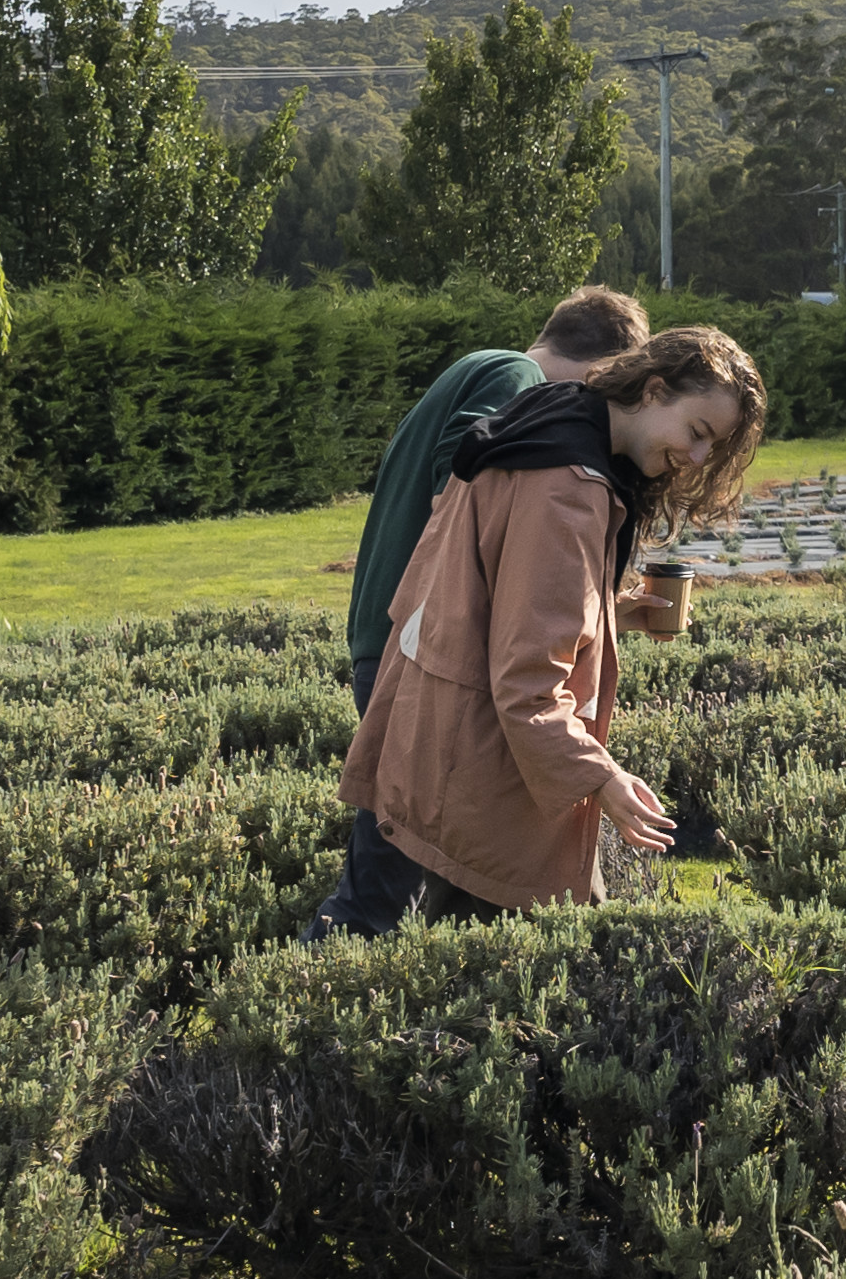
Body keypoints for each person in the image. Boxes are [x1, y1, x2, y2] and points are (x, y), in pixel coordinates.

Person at [331, 321, 766, 923]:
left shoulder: (548, 424)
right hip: (484, 759)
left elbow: (491, 600)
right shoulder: (571, 487)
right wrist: (603, 778)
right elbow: (528, 683)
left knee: (379, 917)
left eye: (708, 448)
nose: (694, 457)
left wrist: (605, 615)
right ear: (652, 390)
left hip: (439, 720)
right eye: (697, 432)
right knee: (507, 957)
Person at [313, 287, 645, 935]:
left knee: (421, 885)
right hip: (419, 659)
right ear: (601, 371)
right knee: (381, 901)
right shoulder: (510, 374)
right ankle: (296, 1012)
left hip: (399, 646)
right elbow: (463, 492)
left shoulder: (477, 367)